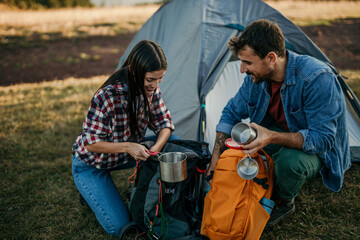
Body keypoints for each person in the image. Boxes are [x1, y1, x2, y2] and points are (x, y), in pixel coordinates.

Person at [207, 19, 351, 227]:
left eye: (247, 62)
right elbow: (231, 112)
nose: (242, 69)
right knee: (241, 143)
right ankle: (265, 178)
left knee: (288, 163)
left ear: (271, 58)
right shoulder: (255, 78)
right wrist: (215, 161)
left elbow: (323, 139)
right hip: (279, 133)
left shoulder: (317, 77)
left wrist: (271, 136)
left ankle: (284, 201)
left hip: (315, 147)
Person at [72, 40, 175, 237]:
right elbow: (90, 144)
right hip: (92, 163)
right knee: (120, 226)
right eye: (151, 80)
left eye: (160, 79)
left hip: (126, 155)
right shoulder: (106, 96)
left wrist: (156, 149)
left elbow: (165, 124)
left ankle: (155, 186)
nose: (155, 86)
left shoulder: (151, 89)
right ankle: (88, 189)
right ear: (134, 71)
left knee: (173, 140)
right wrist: (128, 146)